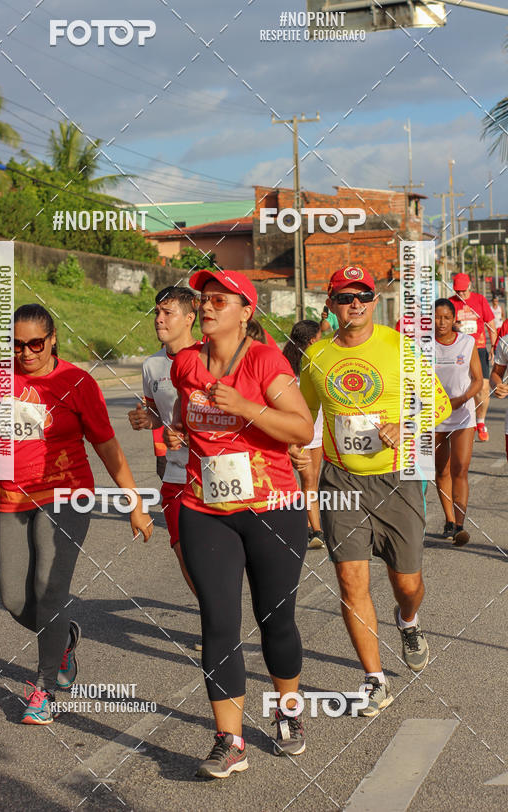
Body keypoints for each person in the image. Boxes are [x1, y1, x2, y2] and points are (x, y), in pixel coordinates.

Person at [0, 303, 153, 725]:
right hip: (13, 497)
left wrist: (134, 502)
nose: (26, 352)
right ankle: (62, 635)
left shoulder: (76, 382)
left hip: (67, 495)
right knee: (14, 598)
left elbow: (107, 446)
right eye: (17, 345)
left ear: (52, 340)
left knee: (49, 590)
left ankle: (44, 689)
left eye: (35, 343)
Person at [166, 269, 313, 778]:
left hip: (273, 510)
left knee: (276, 620)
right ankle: (230, 741)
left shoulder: (265, 360)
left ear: (246, 312)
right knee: (218, 621)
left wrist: (247, 407)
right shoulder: (186, 363)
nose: (207, 307)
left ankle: (288, 713)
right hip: (206, 510)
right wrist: (172, 428)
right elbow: (186, 414)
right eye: (204, 299)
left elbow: (301, 427)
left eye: (219, 301)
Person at [300, 266, 452, 717]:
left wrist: (405, 425)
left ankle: (408, 621)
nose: (356, 304)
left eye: (363, 296)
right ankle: (374, 679)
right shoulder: (316, 355)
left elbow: (440, 403)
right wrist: (292, 447)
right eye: (346, 297)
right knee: (351, 581)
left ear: (373, 301)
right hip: (341, 480)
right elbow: (302, 413)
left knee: (407, 583)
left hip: (397, 478)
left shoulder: (400, 348)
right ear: (330, 304)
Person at [128, 286, 198, 596]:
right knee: (184, 554)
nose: (159, 319)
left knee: (212, 556)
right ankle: (212, 615)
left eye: (168, 313)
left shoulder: (211, 357)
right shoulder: (151, 365)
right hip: (174, 474)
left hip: (211, 474)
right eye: (157, 312)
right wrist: (148, 420)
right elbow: (157, 413)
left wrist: (189, 433)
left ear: (189, 318)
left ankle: (222, 617)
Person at [434, 299, 482, 546]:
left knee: (460, 468)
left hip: (462, 414)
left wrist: (461, 399)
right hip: (435, 416)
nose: (441, 322)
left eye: (446, 317)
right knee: (441, 470)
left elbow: (478, 380)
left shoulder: (467, 342)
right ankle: (449, 521)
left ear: (454, 319)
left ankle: (460, 526)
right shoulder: (421, 346)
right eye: (437, 317)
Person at [283, 321, 325, 549]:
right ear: (312, 341)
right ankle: (316, 530)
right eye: (320, 336)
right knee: (308, 480)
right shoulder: (287, 368)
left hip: (317, 430)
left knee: (312, 481)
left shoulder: (318, 362)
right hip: (299, 433)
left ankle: (309, 525)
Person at [449, 273, 496, 442]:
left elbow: (491, 323)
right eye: (457, 291)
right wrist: (454, 326)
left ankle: (481, 422)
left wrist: (494, 346)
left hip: (479, 348)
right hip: (459, 350)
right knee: (461, 388)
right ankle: (462, 421)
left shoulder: (480, 300)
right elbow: (442, 325)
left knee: (483, 387)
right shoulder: (451, 302)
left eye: (463, 290)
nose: (460, 294)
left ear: (469, 286)